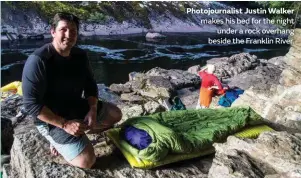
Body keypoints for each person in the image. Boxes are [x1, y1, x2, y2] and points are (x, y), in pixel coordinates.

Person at [22, 12, 122, 169]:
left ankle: (71, 140)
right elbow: (31, 105)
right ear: (53, 31)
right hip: (51, 119)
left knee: (116, 114)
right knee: (86, 161)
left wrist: (93, 109)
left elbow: (90, 85)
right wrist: (65, 124)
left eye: (73, 31)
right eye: (63, 29)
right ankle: (56, 140)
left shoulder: (80, 55)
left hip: (74, 107)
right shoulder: (38, 61)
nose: (69, 35)